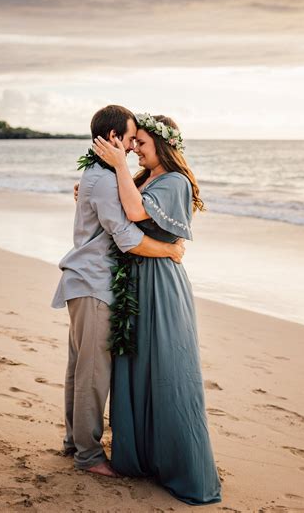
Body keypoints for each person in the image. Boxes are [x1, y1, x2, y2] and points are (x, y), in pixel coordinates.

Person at [93, 113, 222, 505]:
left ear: (162, 146)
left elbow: (134, 214)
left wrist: (116, 165)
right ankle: (138, 459)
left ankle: (182, 467)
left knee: (169, 369)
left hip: (162, 285)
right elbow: (117, 206)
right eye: (134, 144)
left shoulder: (174, 182)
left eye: (142, 145)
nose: (134, 150)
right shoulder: (144, 179)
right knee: (134, 366)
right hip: (134, 282)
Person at [51, 105, 186, 478]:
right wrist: (170, 249)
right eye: (128, 140)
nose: (130, 148)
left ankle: (74, 442)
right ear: (113, 138)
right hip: (94, 284)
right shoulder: (105, 179)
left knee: (80, 368)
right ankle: (89, 456)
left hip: (86, 281)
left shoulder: (98, 174)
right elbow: (127, 238)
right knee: (92, 373)